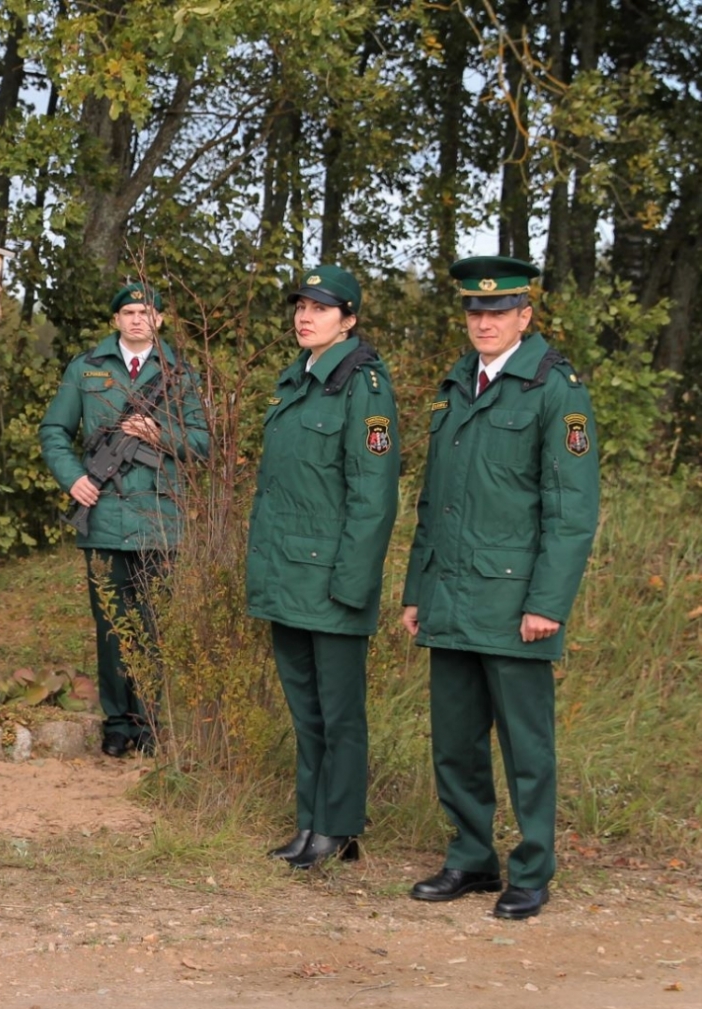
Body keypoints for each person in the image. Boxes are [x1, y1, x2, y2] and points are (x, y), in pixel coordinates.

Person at [401, 255, 600, 920]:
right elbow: (434, 504)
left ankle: (533, 867)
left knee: (526, 746)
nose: (483, 322)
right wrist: (415, 589)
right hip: (451, 596)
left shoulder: (554, 389)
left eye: (498, 311)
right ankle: (470, 857)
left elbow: (570, 511)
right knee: (455, 739)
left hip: (516, 602)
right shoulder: (456, 384)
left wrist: (548, 601)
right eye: (474, 311)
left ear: (525, 315)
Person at [245, 266, 399, 869]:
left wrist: (354, 583)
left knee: (340, 713)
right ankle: (311, 823)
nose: (304, 316)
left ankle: (339, 827)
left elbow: (373, 495)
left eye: (321, 308)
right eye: (300, 306)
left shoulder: (366, 388)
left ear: (350, 319)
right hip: (286, 577)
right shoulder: (295, 382)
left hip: (334, 581)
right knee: (305, 710)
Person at [39, 283, 211, 758]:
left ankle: (150, 722)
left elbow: (205, 443)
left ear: (159, 320)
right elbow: (54, 430)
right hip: (105, 517)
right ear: (116, 319)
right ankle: (118, 724)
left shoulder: (180, 374)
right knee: (112, 625)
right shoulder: (86, 368)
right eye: (129, 311)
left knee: (155, 624)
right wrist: (73, 478)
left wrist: (161, 434)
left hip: (160, 519)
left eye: (146, 311)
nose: (137, 319)